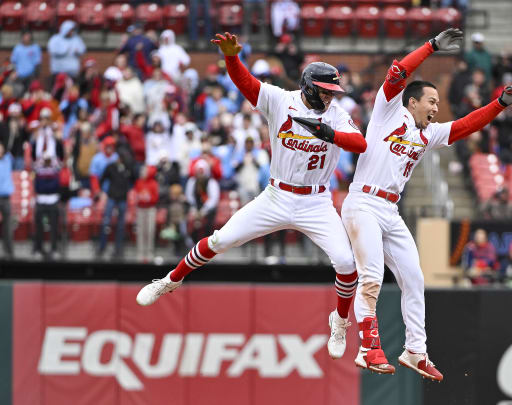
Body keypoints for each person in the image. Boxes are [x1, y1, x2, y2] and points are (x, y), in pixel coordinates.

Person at [136, 32, 368, 364]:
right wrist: (232, 58)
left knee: (347, 264)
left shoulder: (336, 114)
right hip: (276, 194)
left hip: (316, 201)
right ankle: (169, 281)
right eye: (326, 91)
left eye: (333, 92)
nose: (331, 97)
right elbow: (245, 83)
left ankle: (340, 323)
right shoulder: (281, 100)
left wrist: (329, 134)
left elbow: (360, 146)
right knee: (220, 240)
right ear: (309, 87)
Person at [340, 28, 512, 380]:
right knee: (371, 278)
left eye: (438, 103)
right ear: (412, 102)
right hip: (362, 201)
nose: (436, 107)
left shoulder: (428, 133)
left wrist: (500, 103)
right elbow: (397, 73)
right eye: (431, 101)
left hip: (389, 211)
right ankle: (368, 349)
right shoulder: (388, 112)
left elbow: (466, 125)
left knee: (414, 279)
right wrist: (431, 47)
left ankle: (415, 351)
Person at [97, 150, 136, 260]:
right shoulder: (111, 167)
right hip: (112, 197)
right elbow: (102, 178)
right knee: (106, 223)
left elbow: (133, 180)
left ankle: (118, 248)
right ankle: (102, 246)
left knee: (120, 225)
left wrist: (129, 189)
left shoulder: (128, 168)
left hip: (122, 198)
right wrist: (102, 191)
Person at [33, 152, 61, 260]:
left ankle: (54, 249)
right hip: (41, 201)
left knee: (54, 228)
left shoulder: (55, 171)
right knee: (39, 228)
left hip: (52, 201)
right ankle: (38, 249)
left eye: (48, 160)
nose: (47, 162)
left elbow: (55, 186)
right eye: (45, 160)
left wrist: (46, 185)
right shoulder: (38, 171)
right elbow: (38, 187)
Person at [135, 165, 159, 263]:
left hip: (150, 209)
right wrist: (139, 197)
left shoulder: (153, 183)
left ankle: (149, 252)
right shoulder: (138, 182)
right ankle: (140, 252)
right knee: (140, 231)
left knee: (150, 230)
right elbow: (136, 194)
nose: (142, 173)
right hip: (140, 209)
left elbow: (155, 197)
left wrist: (148, 198)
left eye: (144, 171)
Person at [0, 144, 13, 259]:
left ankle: (9, 251)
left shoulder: (7, 160)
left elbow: (11, 142)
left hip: (6, 198)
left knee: (8, 225)